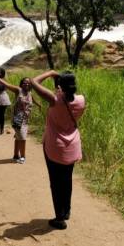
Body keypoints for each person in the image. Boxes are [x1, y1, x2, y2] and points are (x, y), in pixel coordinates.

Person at [31, 70, 85, 230]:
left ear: (60, 87)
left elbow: (34, 81)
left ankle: (60, 218)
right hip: (73, 145)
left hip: (55, 146)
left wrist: (50, 73)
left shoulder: (55, 100)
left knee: (55, 183)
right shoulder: (81, 100)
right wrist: (60, 82)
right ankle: (66, 211)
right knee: (67, 180)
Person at [0, 73, 41, 163]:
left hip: (26, 119)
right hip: (17, 118)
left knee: (18, 137)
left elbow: (32, 98)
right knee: (23, 138)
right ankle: (23, 156)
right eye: (25, 82)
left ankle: (16, 155)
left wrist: (38, 104)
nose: (27, 84)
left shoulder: (29, 93)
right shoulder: (18, 90)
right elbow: (7, 85)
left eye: (28, 83)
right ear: (21, 84)